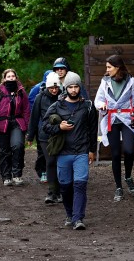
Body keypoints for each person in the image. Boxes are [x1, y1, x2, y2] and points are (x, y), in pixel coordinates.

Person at [42, 71, 98, 230]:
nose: (74, 90)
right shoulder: (56, 106)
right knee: (65, 186)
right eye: (70, 87)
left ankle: (78, 218)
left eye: (76, 87)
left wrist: (92, 150)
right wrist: (59, 127)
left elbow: (93, 130)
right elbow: (45, 126)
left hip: (81, 150)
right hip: (63, 152)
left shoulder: (87, 106)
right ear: (65, 88)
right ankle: (69, 213)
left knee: (80, 184)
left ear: (80, 87)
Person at [95, 55, 134, 201]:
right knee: (115, 154)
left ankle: (128, 176)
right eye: (107, 67)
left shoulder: (131, 81)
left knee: (129, 150)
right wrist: (101, 105)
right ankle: (118, 186)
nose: (107, 70)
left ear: (117, 67)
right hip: (111, 119)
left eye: (109, 67)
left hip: (127, 119)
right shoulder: (105, 81)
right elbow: (98, 99)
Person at [0, 68, 31, 187]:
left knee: (18, 146)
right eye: (9, 76)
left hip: (17, 122)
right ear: (4, 79)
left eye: (13, 76)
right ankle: (6, 176)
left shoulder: (21, 91)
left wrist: (27, 126)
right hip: (2, 124)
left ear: (16, 78)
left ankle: (17, 174)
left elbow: (26, 109)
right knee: (4, 151)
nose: (11, 78)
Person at [27, 72, 63, 204]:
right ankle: (52, 192)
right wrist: (30, 135)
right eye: (51, 88)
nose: (54, 90)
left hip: (60, 134)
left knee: (60, 162)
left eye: (56, 88)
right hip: (44, 135)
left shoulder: (63, 97)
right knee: (50, 161)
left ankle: (59, 191)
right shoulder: (40, 98)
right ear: (47, 87)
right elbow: (34, 117)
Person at [27, 69, 53, 182]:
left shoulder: (59, 91)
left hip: (55, 127)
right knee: (42, 151)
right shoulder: (37, 90)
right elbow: (31, 107)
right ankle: (43, 172)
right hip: (40, 126)